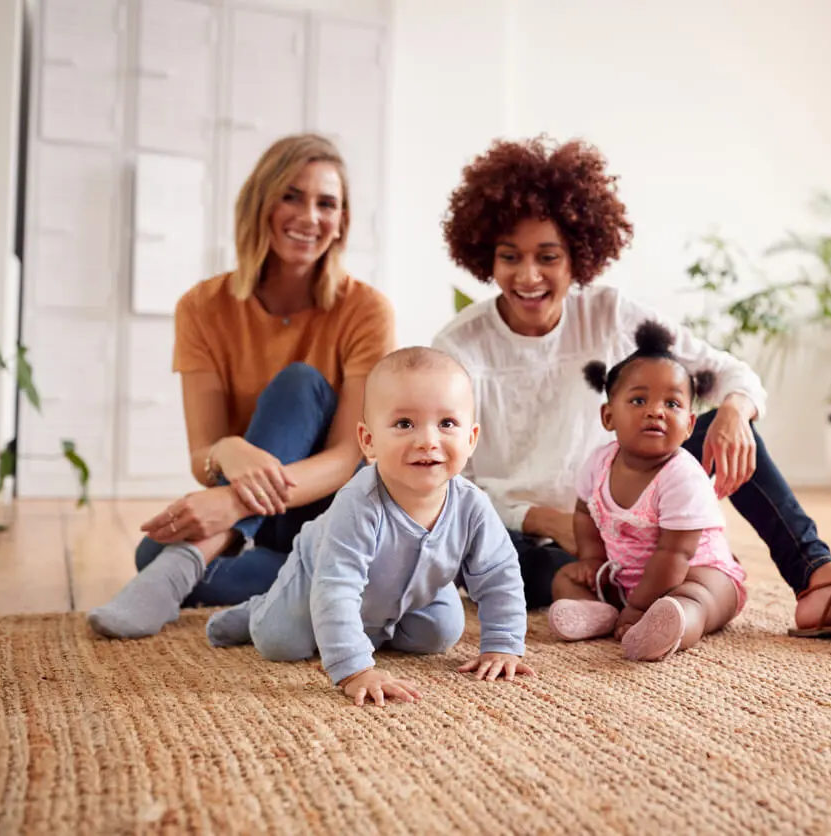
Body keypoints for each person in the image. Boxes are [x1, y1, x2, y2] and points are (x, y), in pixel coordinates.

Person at [432, 135, 831, 639]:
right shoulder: (459, 347)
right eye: (509, 257)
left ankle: (818, 580)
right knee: (513, 566)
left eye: (548, 257)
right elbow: (449, 481)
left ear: (577, 256)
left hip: (623, 514)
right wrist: (544, 519)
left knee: (717, 422)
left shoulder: (607, 313)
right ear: (485, 256)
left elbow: (733, 374)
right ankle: (640, 596)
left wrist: (736, 412)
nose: (528, 276)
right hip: (530, 536)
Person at [89, 133, 396, 640]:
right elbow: (202, 450)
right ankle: (319, 584)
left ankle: (186, 565)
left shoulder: (365, 310)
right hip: (267, 521)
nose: (309, 216)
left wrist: (230, 503)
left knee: (300, 383)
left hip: (328, 511)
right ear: (261, 202)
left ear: (342, 222)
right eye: (291, 195)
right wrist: (228, 449)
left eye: (327, 204)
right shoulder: (202, 307)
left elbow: (348, 457)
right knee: (152, 549)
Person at [205, 348, 533, 706]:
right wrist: (355, 669)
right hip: (319, 575)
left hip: (407, 592)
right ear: (369, 441)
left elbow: (500, 574)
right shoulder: (359, 503)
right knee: (281, 642)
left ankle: (373, 626)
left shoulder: (473, 505)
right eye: (404, 424)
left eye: (447, 424)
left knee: (440, 633)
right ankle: (258, 609)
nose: (427, 440)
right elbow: (337, 588)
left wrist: (503, 643)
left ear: (470, 439)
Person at [547, 321, 747, 662]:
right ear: (608, 416)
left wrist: (640, 606)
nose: (656, 411)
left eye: (672, 404)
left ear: (689, 426)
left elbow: (675, 555)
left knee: (698, 597)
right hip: (625, 577)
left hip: (695, 570)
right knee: (565, 578)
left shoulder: (682, 477)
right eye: (639, 400)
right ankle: (599, 613)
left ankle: (672, 626)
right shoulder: (598, 463)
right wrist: (592, 560)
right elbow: (584, 513)